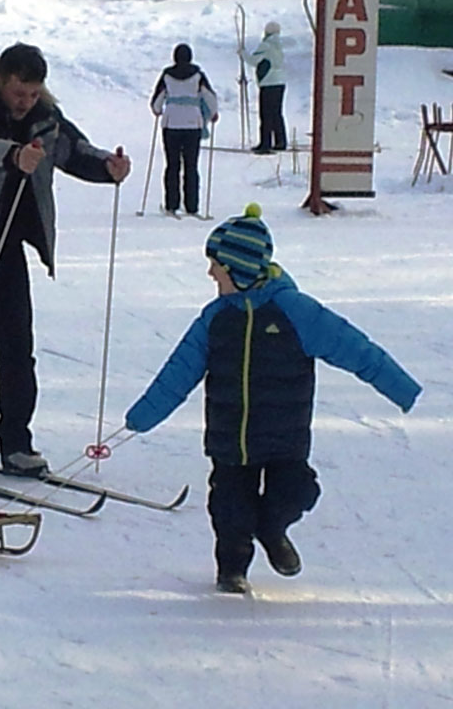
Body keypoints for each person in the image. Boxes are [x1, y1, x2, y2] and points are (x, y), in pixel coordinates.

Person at [124, 203, 421, 593]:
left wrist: (400, 387)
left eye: (217, 266)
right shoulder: (215, 319)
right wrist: (139, 420)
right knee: (230, 509)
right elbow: (176, 375)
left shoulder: (295, 311)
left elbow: (355, 348)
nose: (211, 273)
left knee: (298, 491)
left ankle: (271, 528)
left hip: (284, 439)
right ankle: (232, 570)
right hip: (232, 440)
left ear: (240, 271)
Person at [0, 43, 131, 485]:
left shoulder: (44, 119)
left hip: (7, 250)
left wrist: (108, 166)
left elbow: (74, 150)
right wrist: (12, 155)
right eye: (20, 93)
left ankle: (16, 443)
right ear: (0, 81)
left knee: (18, 349)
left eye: (34, 94)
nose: (26, 103)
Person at [150, 43, 218, 217]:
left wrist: (158, 110)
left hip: (171, 123)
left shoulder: (167, 75)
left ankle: (171, 204)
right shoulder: (198, 75)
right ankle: (192, 206)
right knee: (191, 165)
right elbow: (210, 97)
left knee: (172, 165)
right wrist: (213, 114)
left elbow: (157, 101)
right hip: (192, 123)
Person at [239, 21, 287, 154]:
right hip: (281, 82)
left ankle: (265, 143)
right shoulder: (280, 45)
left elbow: (253, 61)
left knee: (266, 114)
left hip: (268, 82)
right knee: (277, 113)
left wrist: (243, 53)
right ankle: (280, 141)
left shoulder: (266, 45)